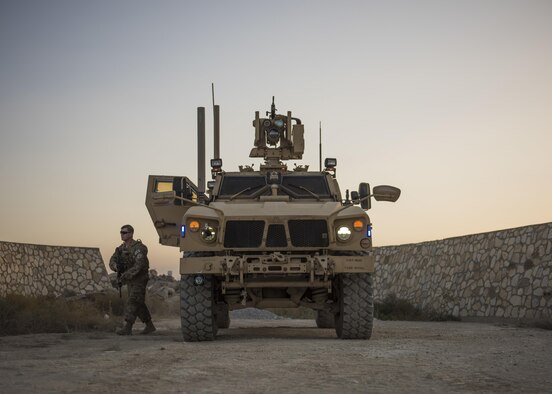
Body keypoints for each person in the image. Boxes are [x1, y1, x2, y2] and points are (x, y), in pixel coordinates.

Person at [109, 224, 156, 335]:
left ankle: (128, 327)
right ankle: (150, 326)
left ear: (131, 234)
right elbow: (112, 260)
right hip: (130, 280)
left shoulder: (139, 248)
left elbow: (139, 265)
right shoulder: (120, 249)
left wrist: (125, 275)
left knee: (133, 301)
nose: (122, 234)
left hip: (139, 279)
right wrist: (116, 267)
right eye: (121, 232)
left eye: (124, 232)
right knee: (138, 303)